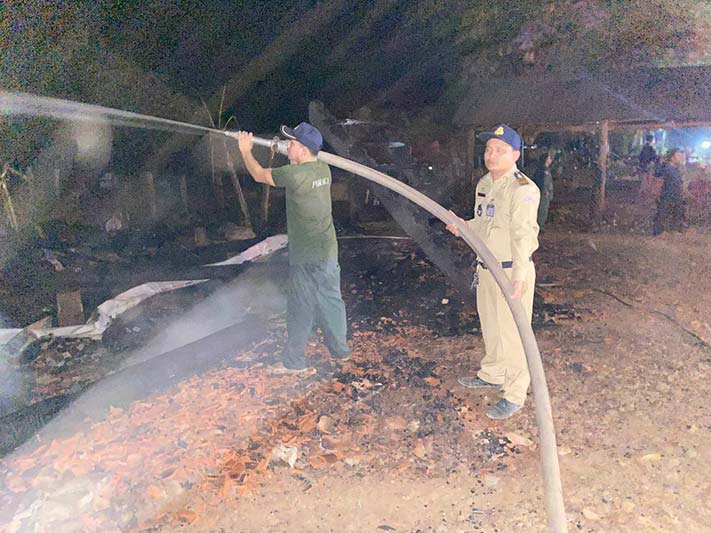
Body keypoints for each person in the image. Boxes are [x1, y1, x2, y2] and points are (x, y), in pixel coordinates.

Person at [237, 123, 350, 370]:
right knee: (331, 302)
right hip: (328, 251)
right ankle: (340, 352)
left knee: (300, 307)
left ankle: (294, 364)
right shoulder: (323, 168)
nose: (288, 146)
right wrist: (284, 149)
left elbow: (259, 174)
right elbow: (299, 163)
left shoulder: (294, 175)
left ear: (303, 149)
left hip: (307, 255)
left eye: (292, 143)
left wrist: (245, 150)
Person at [446, 124, 540, 419]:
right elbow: (484, 224)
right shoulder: (485, 184)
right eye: (488, 149)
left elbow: (523, 236)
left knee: (513, 334)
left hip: (510, 271)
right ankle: (493, 373)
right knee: (492, 327)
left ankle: (514, 394)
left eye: (500, 150)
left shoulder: (523, 189)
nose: (491, 154)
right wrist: (463, 226)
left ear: (515, 155)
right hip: (486, 268)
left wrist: (520, 277)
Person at [652, 147, 686, 235]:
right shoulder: (667, 168)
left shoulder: (675, 169)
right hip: (667, 195)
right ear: (672, 157)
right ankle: (659, 231)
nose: (681, 158)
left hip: (675, 194)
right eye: (678, 156)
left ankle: (673, 229)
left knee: (677, 212)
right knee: (663, 213)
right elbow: (658, 178)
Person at [532, 151, 554, 230]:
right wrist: (545, 191)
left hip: (545, 192)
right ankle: (540, 226)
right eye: (549, 158)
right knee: (542, 209)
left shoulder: (544, 169)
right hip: (544, 193)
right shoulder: (543, 170)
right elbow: (544, 182)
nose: (550, 159)